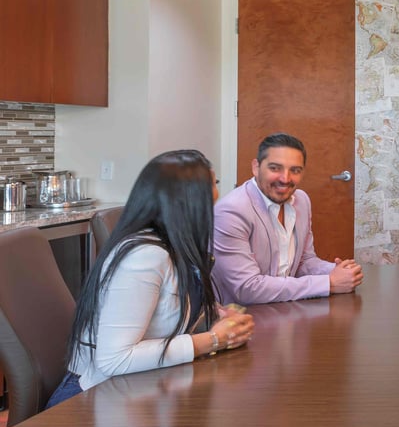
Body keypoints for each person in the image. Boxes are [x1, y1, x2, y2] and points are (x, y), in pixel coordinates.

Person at [47, 150, 254, 407]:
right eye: (213, 185)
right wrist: (213, 340)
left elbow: (166, 310)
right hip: (92, 401)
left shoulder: (171, 246)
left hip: (135, 392)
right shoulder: (144, 257)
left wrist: (215, 315)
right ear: (188, 201)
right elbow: (115, 359)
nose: (217, 195)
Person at [212, 133, 362, 305]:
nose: (285, 179)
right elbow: (247, 288)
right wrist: (328, 283)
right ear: (256, 167)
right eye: (275, 168)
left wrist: (338, 271)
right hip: (241, 318)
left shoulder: (301, 200)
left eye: (295, 170)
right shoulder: (231, 211)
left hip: (284, 309)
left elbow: (304, 262)